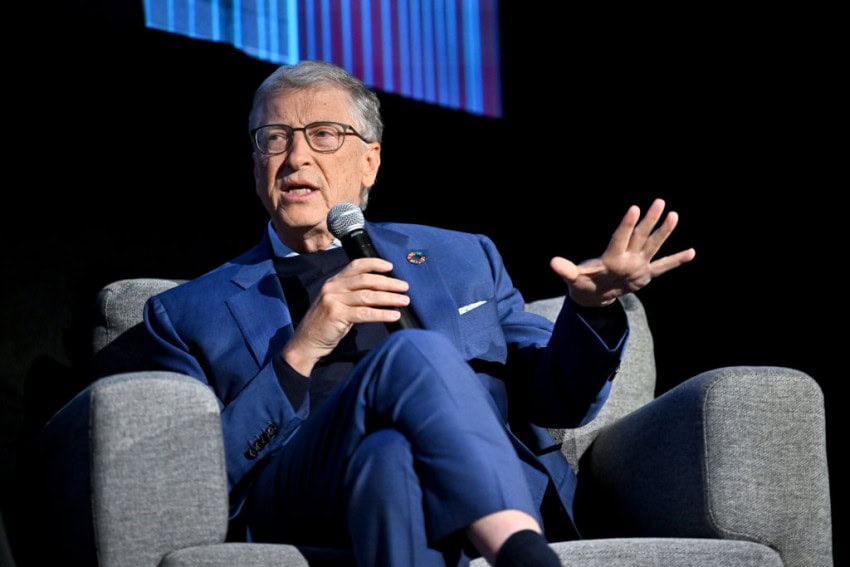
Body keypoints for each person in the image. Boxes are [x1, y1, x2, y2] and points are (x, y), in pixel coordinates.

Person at [143, 59, 696, 566]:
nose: (296, 157)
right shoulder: (187, 312)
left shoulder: (463, 258)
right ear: (256, 160)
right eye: (274, 138)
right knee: (415, 351)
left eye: (323, 135)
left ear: (370, 160)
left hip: (426, 481)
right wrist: (302, 349)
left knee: (388, 459)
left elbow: (561, 399)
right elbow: (194, 479)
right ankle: (522, 552)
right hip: (300, 489)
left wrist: (591, 308)